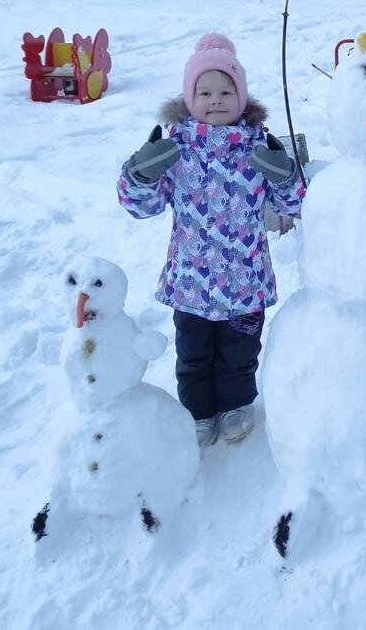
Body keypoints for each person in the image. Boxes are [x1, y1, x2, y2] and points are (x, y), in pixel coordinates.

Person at [117, 33, 305, 447]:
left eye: (225, 91)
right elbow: (141, 207)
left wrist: (285, 174)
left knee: (240, 354)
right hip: (192, 282)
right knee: (193, 355)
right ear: (189, 97)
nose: (215, 100)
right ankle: (198, 411)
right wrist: (141, 175)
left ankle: (236, 404)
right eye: (204, 92)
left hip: (245, 281)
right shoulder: (175, 148)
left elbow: (294, 204)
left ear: (241, 97)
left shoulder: (258, 146)